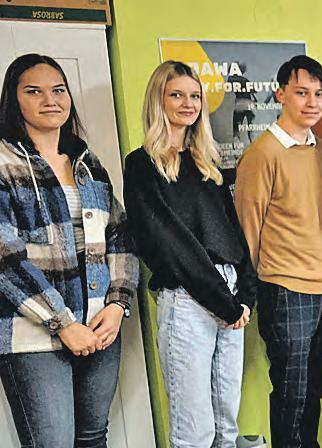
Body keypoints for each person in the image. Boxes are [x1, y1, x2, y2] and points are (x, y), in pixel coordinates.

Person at [0, 53, 138, 446]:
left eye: (58, 90)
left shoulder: (86, 162)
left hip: (97, 326)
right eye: (34, 91)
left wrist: (117, 304)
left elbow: (120, 237)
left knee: (93, 437)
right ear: (14, 100)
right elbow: (5, 259)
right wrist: (62, 323)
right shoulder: (4, 162)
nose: (50, 100)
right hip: (33, 333)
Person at [124, 61, 256, 447]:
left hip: (230, 296)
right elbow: (170, 245)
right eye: (176, 95)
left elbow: (233, 233)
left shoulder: (206, 163)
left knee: (226, 426)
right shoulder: (143, 165)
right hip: (189, 298)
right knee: (194, 431)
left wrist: (245, 295)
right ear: (158, 100)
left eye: (195, 96)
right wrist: (224, 302)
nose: (188, 103)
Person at [234, 55, 322, 447]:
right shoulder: (262, 154)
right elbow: (247, 229)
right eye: (301, 93)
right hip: (285, 289)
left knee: (314, 391)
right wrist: (251, 293)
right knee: (291, 394)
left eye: (319, 94)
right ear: (280, 94)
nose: (312, 102)